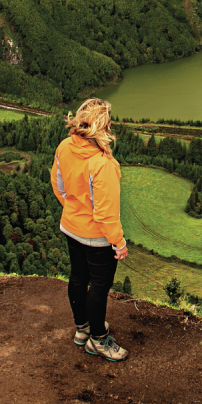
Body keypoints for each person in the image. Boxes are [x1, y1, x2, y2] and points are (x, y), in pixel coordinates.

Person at [50, 98, 130, 361]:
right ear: (103, 126)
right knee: (99, 286)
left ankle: (82, 329)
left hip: (71, 227)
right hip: (96, 237)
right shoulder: (102, 163)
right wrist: (118, 243)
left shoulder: (64, 147)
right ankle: (98, 340)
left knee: (78, 277)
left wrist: (73, 210)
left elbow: (59, 186)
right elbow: (107, 213)